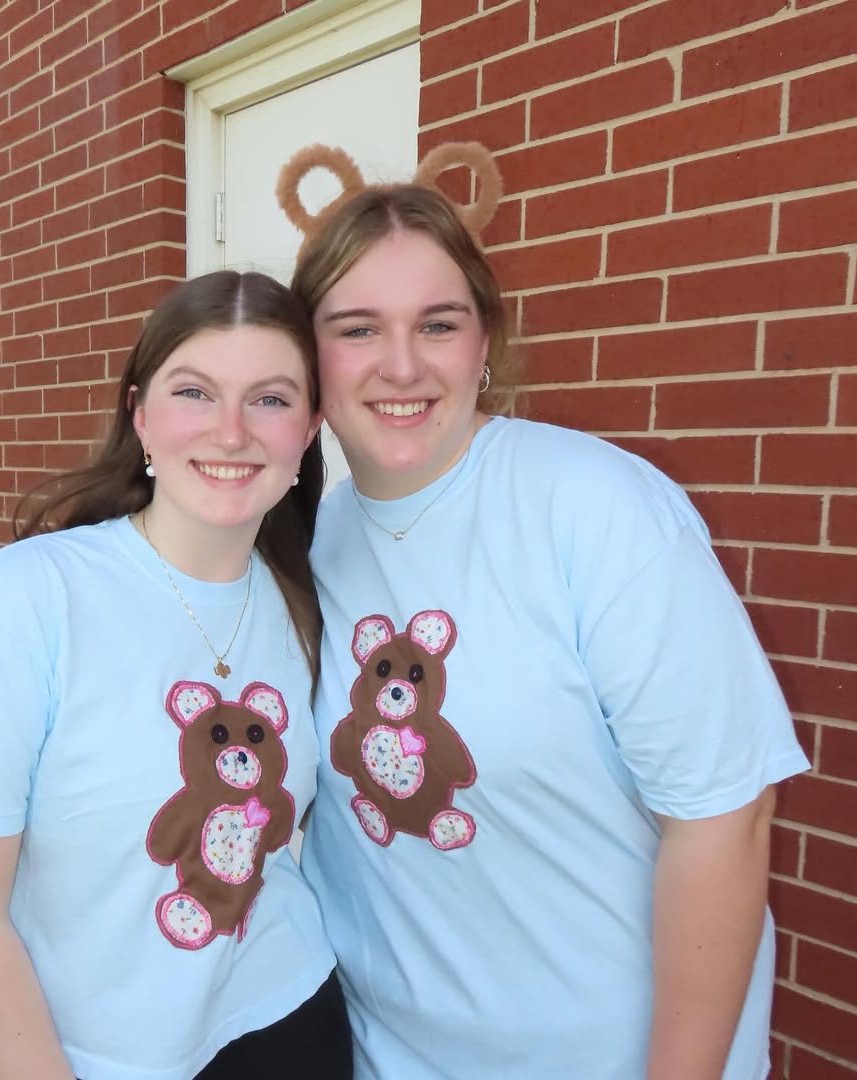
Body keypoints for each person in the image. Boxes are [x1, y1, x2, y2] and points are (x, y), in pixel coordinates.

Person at [279, 144, 810, 1079]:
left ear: (483, 340)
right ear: (307, 355)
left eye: (437, 324)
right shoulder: (313, 543)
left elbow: (726, 816)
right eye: (357, 328)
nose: (401, 365)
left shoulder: (597, 509)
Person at [0, 270, 353, 1080]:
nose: (231, 431)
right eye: (194, 392)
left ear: (308, 431)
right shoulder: (21, 602)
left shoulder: (302, 599)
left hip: (291, 1015)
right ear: (140, 415)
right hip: (102, 1057)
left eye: (270, 399)